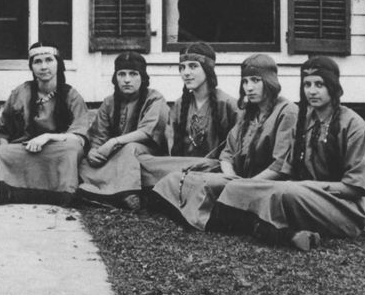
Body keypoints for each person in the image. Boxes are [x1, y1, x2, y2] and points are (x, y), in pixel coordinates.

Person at [216, 56, 365, 251]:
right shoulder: (304, 121)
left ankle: (266, 228)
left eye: (320, 84)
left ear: (333, 87)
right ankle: (282, 233)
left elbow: (356, 187)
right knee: (242, 189)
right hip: (303, 197)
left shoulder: (355, 127)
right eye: (307, 85)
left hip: (345, 209)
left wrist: (306, 187)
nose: (312, 91)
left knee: (282, 192)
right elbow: (288, 169)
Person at [151, 54, 297, 231]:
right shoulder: (248, 112)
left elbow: (280, 165)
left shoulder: (287, 111)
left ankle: (239, 222)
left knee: (206, 189)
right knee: (177, 178)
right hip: (238, 180)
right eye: (245, 82)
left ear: (270, 81)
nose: (249, 88)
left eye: (256, 80)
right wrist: (231, 177)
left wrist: (245, 184)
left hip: (264, 184)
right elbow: (227, 154)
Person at [0, 42, 91, 206]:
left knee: (71, 150)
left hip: (57, 149)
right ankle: (12, 190)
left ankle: (60, 193)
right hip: (25, 148)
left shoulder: (71, 95)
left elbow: (79, 136)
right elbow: (3, 130)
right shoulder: (21, 92)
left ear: (58, 63)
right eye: (37, 62)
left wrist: (47, 137)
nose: (44, 67)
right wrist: (4, 150)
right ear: (31, 67)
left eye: (49, 60)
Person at [138, 42, 237, 188]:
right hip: (182, 167)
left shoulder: (228, 104)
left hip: (213, 169)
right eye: (182, 67)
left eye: (193, 66)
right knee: (144, 163)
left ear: (208, 68)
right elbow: (171, 151)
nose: (186, 72)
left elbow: (235, 151)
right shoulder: (179, 105)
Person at [78, 51, 168, 209]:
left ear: (143, 77)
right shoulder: (109, 102)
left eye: (133, 74)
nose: (127, 80)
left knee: (129, 148)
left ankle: (126, 193)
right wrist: (94, 150)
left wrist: (114, 142)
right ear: (115, 78)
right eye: (122, 74)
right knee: (84, 162)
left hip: (145, 155)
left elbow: (147, 131)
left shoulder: (155, 99)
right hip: (116, 155)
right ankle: (104, 194)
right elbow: (99, 134)